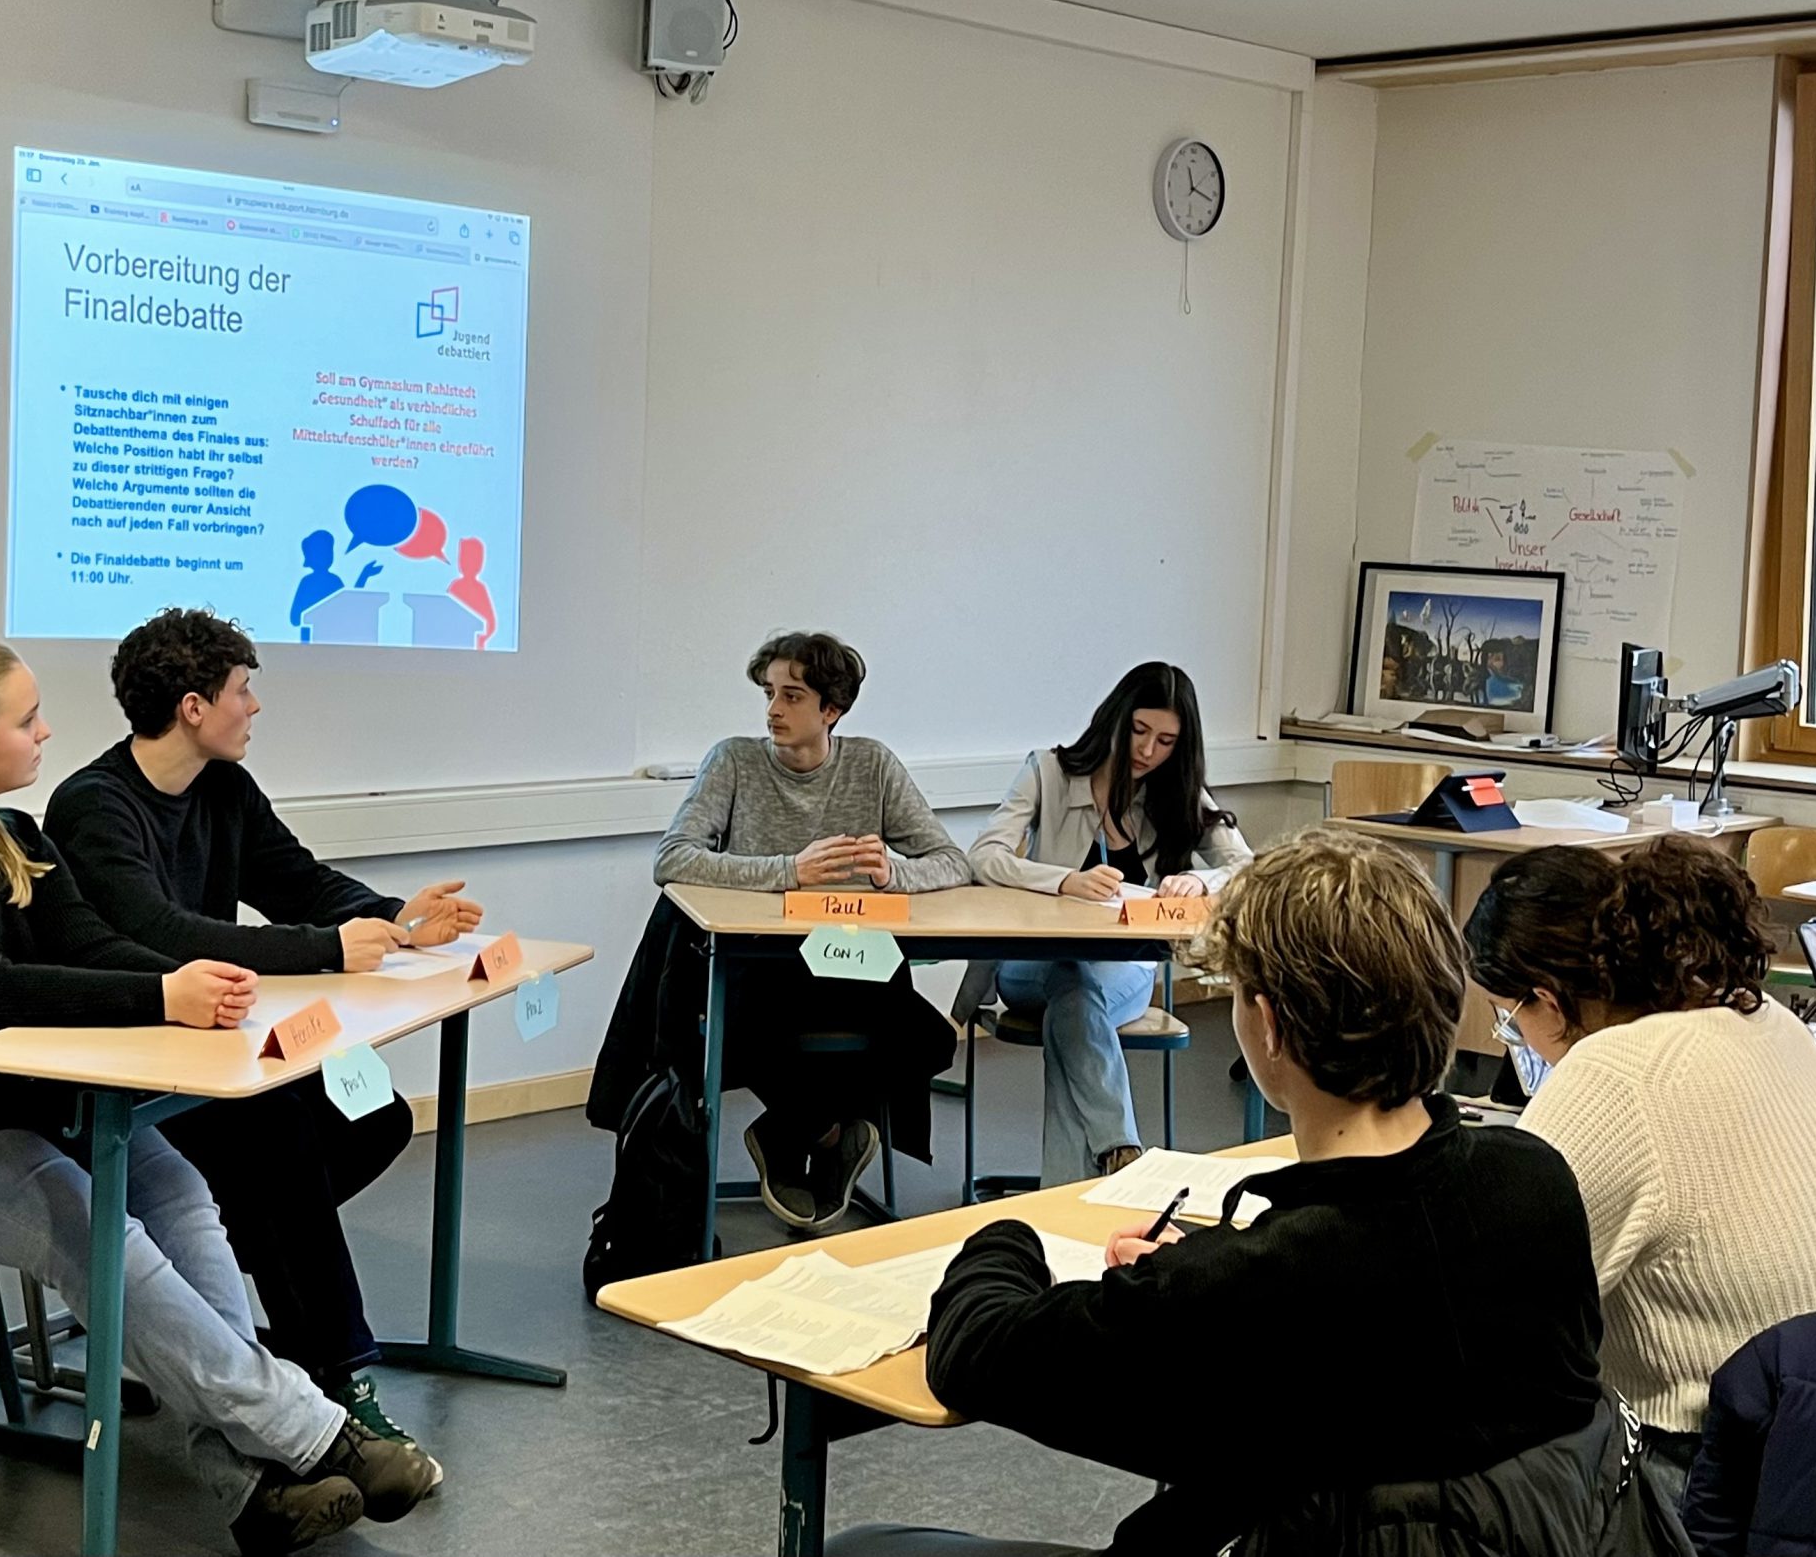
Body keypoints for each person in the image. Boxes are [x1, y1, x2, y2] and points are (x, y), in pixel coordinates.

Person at [0, 641, 435, 1555]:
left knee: (178, 1188)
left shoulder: (12, 837)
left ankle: (250, 1484)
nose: (47, 731)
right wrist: (160, 995)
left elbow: (85, 945)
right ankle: (314, 1433)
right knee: (90, 1225)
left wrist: (188, 988)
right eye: (26, 718)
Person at [834, 828, 1631, 1557]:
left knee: (866, 1547)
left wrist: (1007, 1236)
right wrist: (1198, 1267)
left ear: (1269, 1025)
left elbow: (975, 1354)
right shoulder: (1535, 1181)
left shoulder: (1245, 1287)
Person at [45, 608, 481, 1464]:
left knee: (375, 1116)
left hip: (214, 1047)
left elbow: (299, 880)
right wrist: (328, 947)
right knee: (278, 1140)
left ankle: (197, 1298)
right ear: (193, 707)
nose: (254, 706)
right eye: (243, 690)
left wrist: (397, 918)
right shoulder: (93, 805)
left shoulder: (225, 789)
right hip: (129, 1066)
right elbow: (161, 932)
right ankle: (339, 1372)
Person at [1466, 836, 1816, 1493]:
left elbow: (1484, 1317)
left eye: (1510, 1021)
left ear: (1549, 1000)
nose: (1517, 1041)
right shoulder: (1760, 1014)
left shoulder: (1611, 1076)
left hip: (1742, 1470)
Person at [652, 630, 969, 1229]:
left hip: (853, 958)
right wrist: (789, 872)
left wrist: (893, 874)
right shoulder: (734, 760)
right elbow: (672, 858)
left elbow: (952, 861)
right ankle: (828, 1136)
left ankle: (787, 1131)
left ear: (832, 709)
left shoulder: (872, 764)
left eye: (792, 696)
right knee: (749, 1027)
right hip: (758, 962)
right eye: (769, 694)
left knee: (931, 1041)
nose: (773, 709)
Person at [961, 663, 1250, 1183]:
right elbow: (984, 856)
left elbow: (1249, 868)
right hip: (1031, 966)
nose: (1148, 750)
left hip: (1124, 970)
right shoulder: (1048, 771)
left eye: (1166, 741)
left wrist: (1200, 880)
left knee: (1074, 1005)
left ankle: (1088, 1175)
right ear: (1115, 718)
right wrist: (1063, 880)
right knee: (1072, 982)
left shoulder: (1178, 790)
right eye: (1139, 730)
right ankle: (1119, 1156)